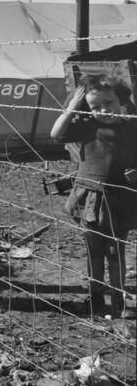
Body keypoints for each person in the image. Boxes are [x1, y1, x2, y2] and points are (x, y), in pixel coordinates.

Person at [50, 74, 137, 318]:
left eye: (108, 103)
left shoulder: (133, 127)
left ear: (121, 100)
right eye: (94, 106)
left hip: (120, 200)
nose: (103, 110)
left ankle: (119, 301)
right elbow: (56, 134)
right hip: (89, 198)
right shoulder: (88, 127)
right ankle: (95, 298)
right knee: (93, 250)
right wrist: (71, 107)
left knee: (115, 251)